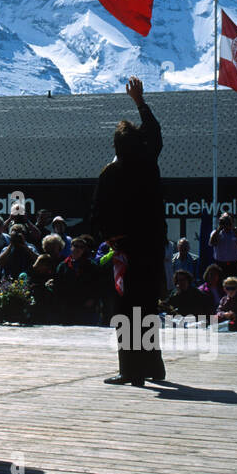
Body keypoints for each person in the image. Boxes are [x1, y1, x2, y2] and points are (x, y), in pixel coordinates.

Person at [91, 77, 167, 385]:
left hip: (126, 247)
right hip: (151, 244)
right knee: (147, 306)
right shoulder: (149, 164)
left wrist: (106, 235)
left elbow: (97, 210)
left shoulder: (112, 172)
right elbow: (156, 134)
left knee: (125, 308)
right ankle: (153, 366)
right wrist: (140, 102)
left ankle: (131, 370)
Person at [208, 214, 237, 279]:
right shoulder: (216, 233)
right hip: (220, 265)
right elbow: (212, 243)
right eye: (224, 221)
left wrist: (233, 229)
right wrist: (219, 228)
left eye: (228, 221)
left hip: (234, 265)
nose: (226, 224)